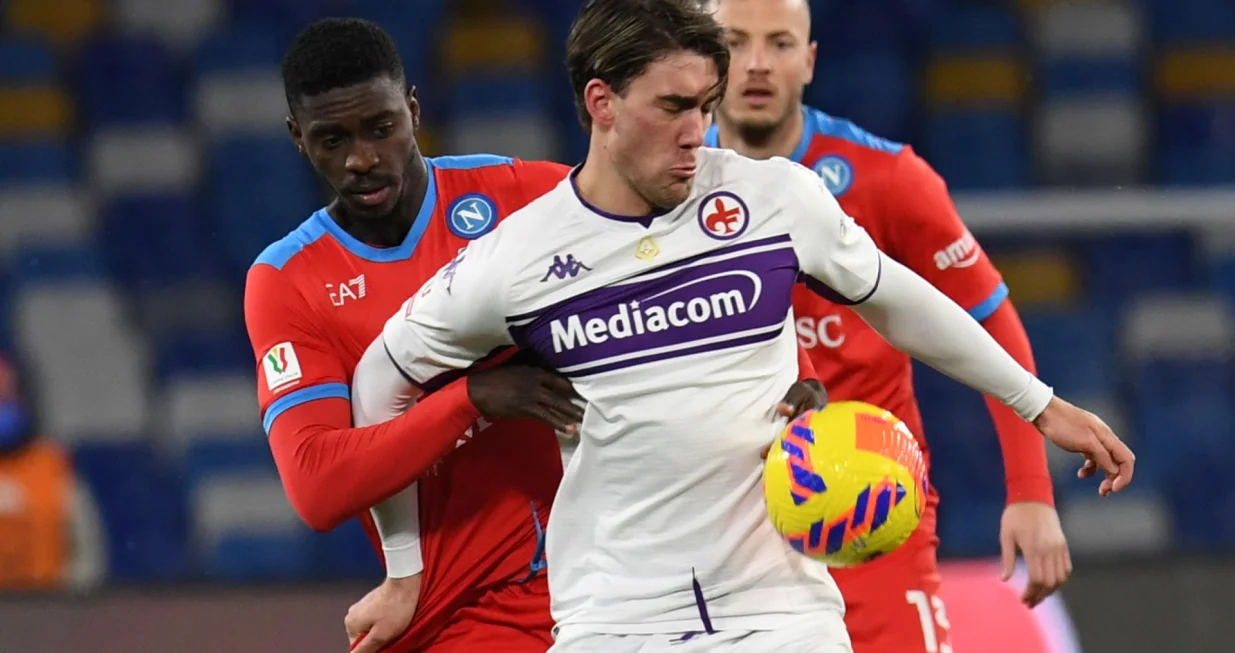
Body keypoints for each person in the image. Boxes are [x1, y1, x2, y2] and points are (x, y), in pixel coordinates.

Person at [351, 1, 1135, 652]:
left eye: (702, 104)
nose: (697, 130)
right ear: (601, 103)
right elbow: (380, 377)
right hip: (613, 617)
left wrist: (1038, 403)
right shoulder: (516, 259)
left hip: (779, 607)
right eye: (671, 107)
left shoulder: (773, 199)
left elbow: (897, 297)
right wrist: (404, 566)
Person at [706, 0, 1069, 650]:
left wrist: (1030, 491)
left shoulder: (887, 177)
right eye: (735, 42)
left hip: (868, 501)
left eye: (780, 44)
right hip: (721, 509)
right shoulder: (665, 179)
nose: (758, 64)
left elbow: (990, 326)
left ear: (809, 60)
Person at [243, 17, 579, 653]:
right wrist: (472, 399)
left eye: (380, 128)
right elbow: (317, 486)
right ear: (296, 140)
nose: (362, 159)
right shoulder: (288, 280)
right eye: (331, 139)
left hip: (591, 575)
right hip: (452, 606)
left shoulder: (518, 196)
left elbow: (668, 247)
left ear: (414, 110)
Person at [0, 352, 105, 594]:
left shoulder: (53, 465)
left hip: (47, 612)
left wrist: (70, 601)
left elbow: (87, 550)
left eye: (6, 395)